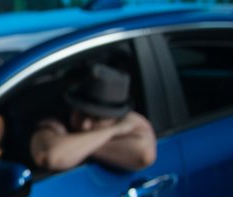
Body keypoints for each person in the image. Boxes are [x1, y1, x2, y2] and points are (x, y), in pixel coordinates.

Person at [29, 63, 157, 173]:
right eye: (81, 114)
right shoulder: (56, 120)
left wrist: (74, 148)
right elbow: (51, 157)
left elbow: (145, 155)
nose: (85, 125)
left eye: (97, 119)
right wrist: (114, 131)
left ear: (115, 119)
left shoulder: (127, 123)